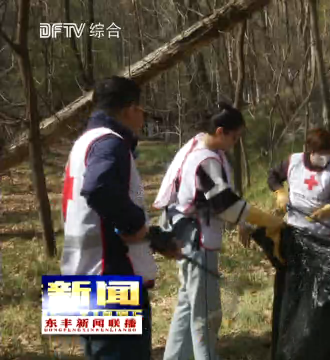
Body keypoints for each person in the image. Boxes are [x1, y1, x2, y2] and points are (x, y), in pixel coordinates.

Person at [154, 102, 285, 360]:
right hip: (196, 240)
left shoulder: (199, 146)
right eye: (234, 137)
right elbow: (224, 203)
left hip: (188, 237)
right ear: (221, 131)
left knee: (188, 305)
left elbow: (220, 196)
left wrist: (242, 222)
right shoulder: (204, 160)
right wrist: (269, 220)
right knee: (206, 313)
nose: (235, 143)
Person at [61, 76, 178, 359]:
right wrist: (136, 224)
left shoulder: (82, 143)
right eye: (142, 110)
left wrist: (153, 238)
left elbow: (100, 214)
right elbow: (99, 188)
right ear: (129, 109)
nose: (143, 117)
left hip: (76, 277)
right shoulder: (111, 143)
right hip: (110, 282)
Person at [268, 128, 330, 235]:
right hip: (295, 226)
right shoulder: (294, 162)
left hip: (327, 230)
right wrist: (280, 192)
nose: (326, 158)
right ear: (312, 151)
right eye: (322, 153)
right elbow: (273, 176)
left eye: (329, 154)